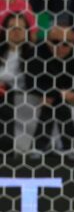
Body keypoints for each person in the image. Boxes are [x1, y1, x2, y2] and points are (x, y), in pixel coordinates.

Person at [26, 23, 74, 157]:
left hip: (65, 97)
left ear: (73, 43)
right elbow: (31, 81)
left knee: (56, 103)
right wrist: (59, 93)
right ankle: (72, 149)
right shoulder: (38, 51)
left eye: (66, 43)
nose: (60, 47)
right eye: (55, 42)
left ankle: (38, 148)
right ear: (47, 40)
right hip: (51, 96)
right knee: (58, 103)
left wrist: (72, 91)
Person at [0, 11, 34, 155]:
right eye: (11, 27)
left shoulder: (34, 56)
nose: (15, 31)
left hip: (22, 103)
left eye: (20, 28)